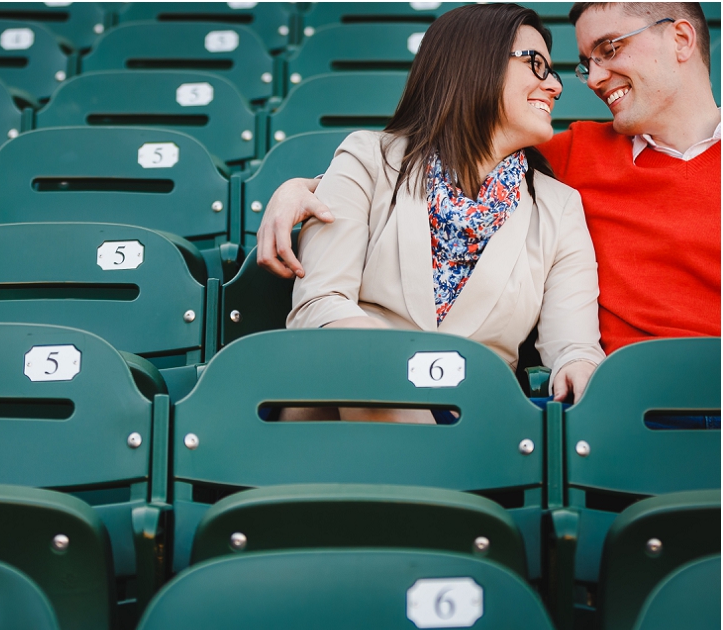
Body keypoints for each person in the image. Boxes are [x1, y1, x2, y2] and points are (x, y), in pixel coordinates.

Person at [260, 2, 721, 358]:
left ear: (681, 39)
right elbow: (463, 154)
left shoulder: (555, 191)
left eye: (609, 49)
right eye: (586, 62)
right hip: (633, 409)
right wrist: (307, 187)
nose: (592, 79)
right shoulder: (574, 155)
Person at [283, 3, 603, 423]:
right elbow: (320, 304)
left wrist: (577, 366)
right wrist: (398, 372)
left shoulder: (559, 206)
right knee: (353, 359)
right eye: (536, 65)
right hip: (351, 402)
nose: (555, 88)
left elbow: (573, 344)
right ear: (474, 62)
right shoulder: (366, 158)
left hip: (471, 422)